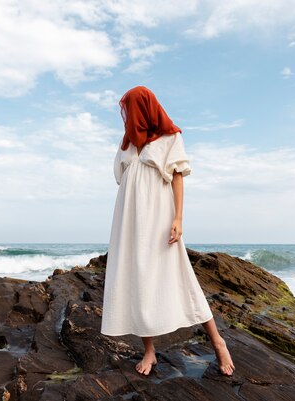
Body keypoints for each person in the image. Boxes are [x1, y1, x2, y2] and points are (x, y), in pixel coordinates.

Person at [100, 86, 235, 377]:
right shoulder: (125, 145)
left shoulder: (170, 138)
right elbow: (124, 181)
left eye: (133, 108)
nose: (128, 115)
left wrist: (178, 218)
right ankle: (149, 350)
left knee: (181, 276)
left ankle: (217, 341)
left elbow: (177, 178)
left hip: (158, 218)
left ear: (146, 108)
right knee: (137, 280)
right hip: (129, 222)